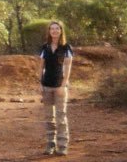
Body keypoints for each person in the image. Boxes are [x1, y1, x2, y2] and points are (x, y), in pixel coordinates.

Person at [38, 21, 73, 156]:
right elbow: (41, 67)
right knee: (49, 117)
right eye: (52, 29)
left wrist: (63, 85)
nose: (54, 31)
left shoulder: (66, 48)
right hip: (46, 86)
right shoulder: (44, 47)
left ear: (61, 31)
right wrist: (40, 83)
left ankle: (62, 146)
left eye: (57, 28)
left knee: (61, 117)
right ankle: (50, 144)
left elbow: (68, 67)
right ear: (49, 31)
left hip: (60, 87)